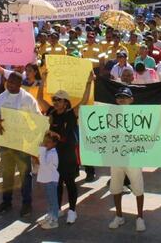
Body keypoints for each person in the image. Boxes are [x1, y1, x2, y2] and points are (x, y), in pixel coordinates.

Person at [104, 86, 161, 233]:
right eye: (119, 97)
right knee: (115, 188)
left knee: (138, 188)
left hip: (134, 157)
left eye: (125, 97)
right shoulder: (110, 114)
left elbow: (151, 129)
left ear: (131, 99)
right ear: (116, 99)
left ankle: (140, 217)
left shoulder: (139, 115)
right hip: (116, 156)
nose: (122, 99)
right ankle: (119, 216)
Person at [36, 73, 95, 225]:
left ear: (66, 103)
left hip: (68, 155)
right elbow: (40, 99)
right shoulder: (51, 112)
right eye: (54, 99)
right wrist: (42, 82)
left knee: (69, 183)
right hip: (54, 155)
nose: (55, 102)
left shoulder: (71, 114)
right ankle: (58, 209)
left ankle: (72, 211)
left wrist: (88, 83)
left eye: (58, 100)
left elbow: (83, 101)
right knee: (57, 183)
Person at [0, 72, 41, 217]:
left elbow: (37, 119)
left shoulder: (28, 99)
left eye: (13, 82)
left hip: (22, 143)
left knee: (24, 175)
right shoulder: (2, 96)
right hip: (6, 142)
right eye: (9, 82)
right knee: (7, 173)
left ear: (20, 84)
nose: (9, 84)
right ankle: (6, 201)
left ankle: (26, 203)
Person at [35, 132, 60, 229]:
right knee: (49, 200)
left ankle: (54, 220)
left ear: (54, 143)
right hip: (47, 180)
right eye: (45, 141)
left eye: (48, 142)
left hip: (51, 181)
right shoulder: (48, 151)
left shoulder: (52, 154)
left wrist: (41, 150)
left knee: (53, 201)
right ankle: (50, 216)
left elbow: (44, 165)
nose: (46, 144)